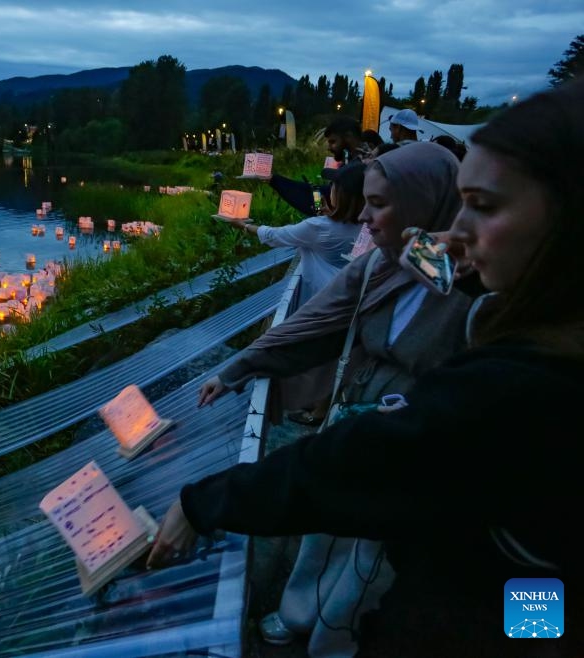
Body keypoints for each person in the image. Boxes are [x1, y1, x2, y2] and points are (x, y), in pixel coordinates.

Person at [147, 79, 584, 657]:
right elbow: (320, 323)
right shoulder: (415, 267)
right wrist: (240, 367)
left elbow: (364, 459)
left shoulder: (513, 385)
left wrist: (201, 503)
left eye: (485, 206)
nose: (460, 233)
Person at [195, 142, 474, 656]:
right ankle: (301, 612)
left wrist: (444, 257)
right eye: (366, 202)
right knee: (327, 529)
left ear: (425, 203)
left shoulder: (475, 289)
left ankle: (337, 638)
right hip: (353, 424)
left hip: (413, 444)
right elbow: (310, 324)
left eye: (381, 205)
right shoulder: (378, 267)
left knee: (373, 555)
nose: (365, 217)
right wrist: (238, 369)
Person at [239, 160, 365, 304]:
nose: (330, 188)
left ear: (341, 193)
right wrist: (330, 215)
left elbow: (274, 236)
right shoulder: (370, 224)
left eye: (333, 185)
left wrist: (243, 226)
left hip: (326, 298)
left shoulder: (317, 227)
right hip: (355, 293)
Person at [268, 117, 372, 218]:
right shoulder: (351, 160)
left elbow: (335, 202)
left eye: (333, 142)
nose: (329, 148)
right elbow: (324, 197)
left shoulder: (365, 166)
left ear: (349, 137)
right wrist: (275, 180)